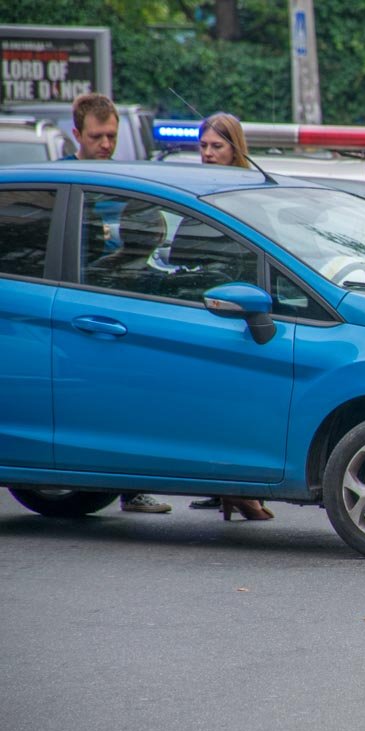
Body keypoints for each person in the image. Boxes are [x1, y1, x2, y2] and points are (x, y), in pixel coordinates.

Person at [62, 93, 173, 515]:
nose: (105, 144)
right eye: (97, 136)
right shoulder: (68, 182)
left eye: (111, 136)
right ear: (77, 134)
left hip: (120, 313)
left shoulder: (122, 183)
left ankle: (131, 487)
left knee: (130, 403)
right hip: (74, 315)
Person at [191, 112, 273, 522]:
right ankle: (232, 489)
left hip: (248, 314)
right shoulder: (195, 194)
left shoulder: (250, 194)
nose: (207, 154)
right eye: (203, 146)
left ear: (235, 148)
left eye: (216, 146)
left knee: (249, 405)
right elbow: (182, 254)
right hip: (209, 314)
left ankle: (240, 489)